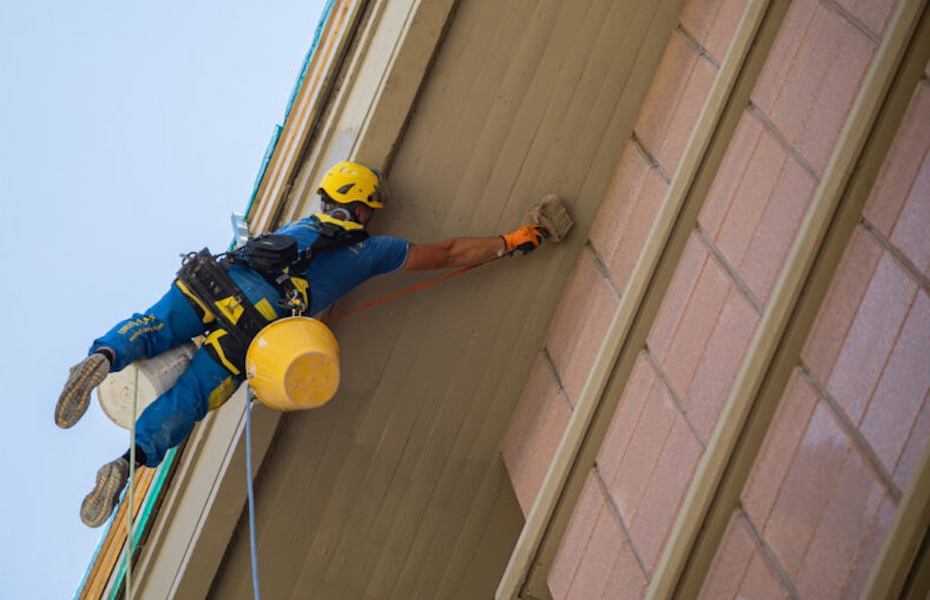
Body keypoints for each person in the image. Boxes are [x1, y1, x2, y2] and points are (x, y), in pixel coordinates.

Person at [55, 161, 568, 527]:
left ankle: (101, 357)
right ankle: (128, 462)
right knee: (189, 402)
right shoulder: (373, 250)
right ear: (364, 208)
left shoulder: (296, 226)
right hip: (255, 330)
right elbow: (450, 252)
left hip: (214, 282)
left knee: (155, 325)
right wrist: (510, 241)